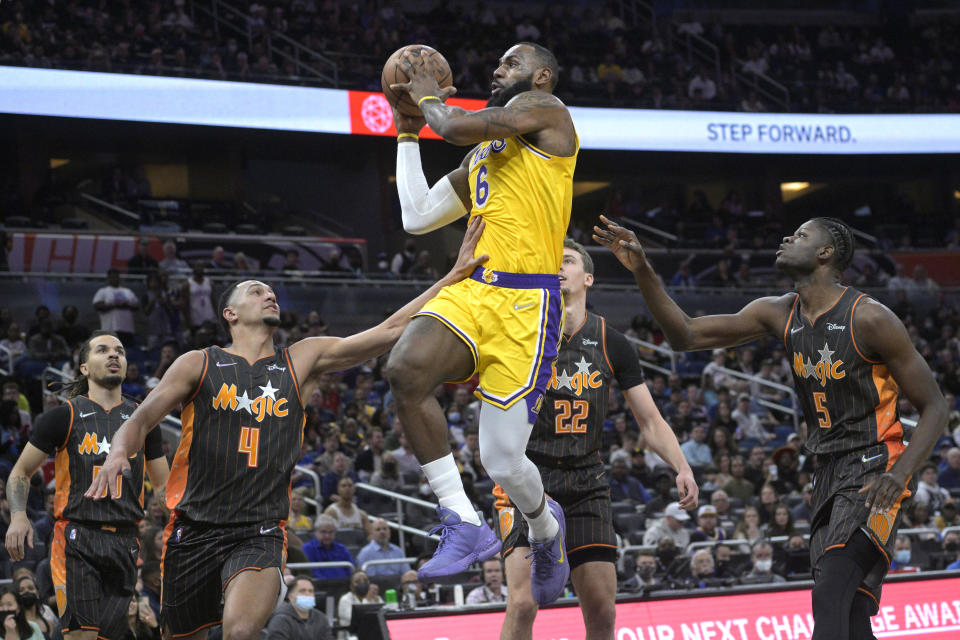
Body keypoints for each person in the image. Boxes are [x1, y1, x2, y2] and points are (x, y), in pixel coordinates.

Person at [85, 225, 486, 640]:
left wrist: (450, 278)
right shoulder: (198, 363)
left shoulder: (301, 359)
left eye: (271, 291)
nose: (269, 294)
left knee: (239, 633)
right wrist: (117, 454)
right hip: (194, 528)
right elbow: (140, 418)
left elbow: (386, 332)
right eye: (256, 291)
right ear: (230, 313)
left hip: (259, 530)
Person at [594, 215, 948, 640]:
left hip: (875, 466)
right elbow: (685, 335)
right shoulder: (779, 312)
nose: (786, 237)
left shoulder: (870, 318)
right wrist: (644, 272)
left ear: (825, 253)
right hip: (827, 472)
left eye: (800, 235)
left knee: (830, 591)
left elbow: (935, 407)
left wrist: (899, 474)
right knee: (851, 615)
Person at [383, 42, 578, 605]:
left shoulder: (547, 111)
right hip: (475, 291)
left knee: (501, 458)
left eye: (511, 64)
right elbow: (416, 216)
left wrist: (426, 101)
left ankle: (545, 528)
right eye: (498, 63)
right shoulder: (484, 153)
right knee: (405, 368)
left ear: (541, 75)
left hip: (528, 305)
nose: (497, 69)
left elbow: (454, 124)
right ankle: (462, 518)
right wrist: (405, 131)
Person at [495, 240, 696, 640]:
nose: (558, 266)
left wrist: (682, 465)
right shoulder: (521, 334)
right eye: (551, 262)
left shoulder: (612, 341)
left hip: (587, 483)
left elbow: (650, 419)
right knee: (522, 604)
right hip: (526, 479)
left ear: (588, 277)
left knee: (603, 611)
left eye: (567, 261)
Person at [5, 332, 169, 640]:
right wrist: (17, 515)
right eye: (103, 350)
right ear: (83, 368)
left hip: (125, 539)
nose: (114, 355)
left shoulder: (143, 420)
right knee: (82, 637)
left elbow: (164, 486)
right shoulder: (63, 416)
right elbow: (21, 471)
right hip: (76, 537)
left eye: (120, 351)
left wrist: (184, 521)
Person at [264, 577, 332, 640]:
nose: (307, 594)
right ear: (291, 597)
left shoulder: (321, 618)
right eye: (302, 591)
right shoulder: (281, 619)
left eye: (310, 591)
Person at [92, 269, 139, 346]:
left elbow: (136, 306)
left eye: (116, 277)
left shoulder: (127, 291)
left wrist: (125, 305)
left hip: (127, 329)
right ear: (108, 278)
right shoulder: (103, 291)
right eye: (112, 277)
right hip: (109, 329)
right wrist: (114, 305)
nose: (115, 279)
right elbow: (97, 306)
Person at [301, 515, 353, 581]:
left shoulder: (342, 549)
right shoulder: (307, 549)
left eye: (331, 532)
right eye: (323, 532)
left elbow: (350, 571)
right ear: (316, 532)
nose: (327, 536)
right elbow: (310, 573)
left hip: (344, 585)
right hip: (319, 587)